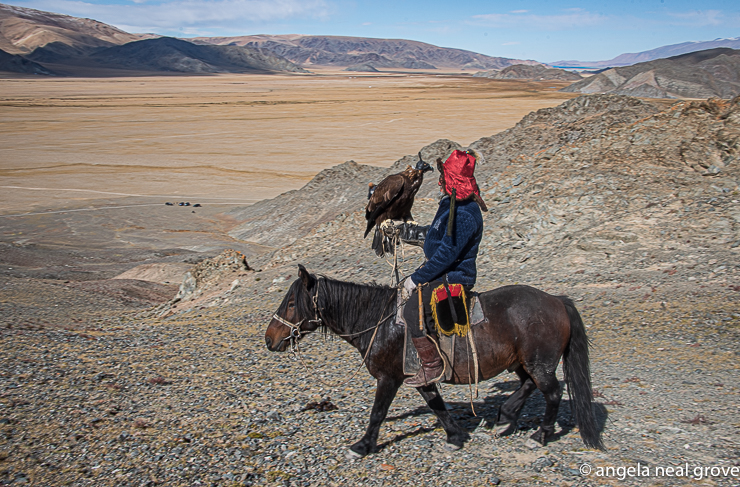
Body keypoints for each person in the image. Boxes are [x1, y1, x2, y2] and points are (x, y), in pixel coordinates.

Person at [401, 148, 488, 387]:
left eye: (444, 177)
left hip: (454, 276)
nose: (440, 181)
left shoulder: (465, 214)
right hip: (441, 269)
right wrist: (413, 234)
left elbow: (448, 254)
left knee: (411, 311)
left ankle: (432, 367)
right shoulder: (451, 204)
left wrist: (417, 278)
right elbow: (439, 237)